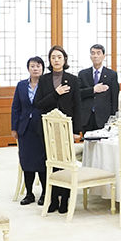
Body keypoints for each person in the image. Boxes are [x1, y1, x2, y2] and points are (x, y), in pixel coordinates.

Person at [34, 46, 81, 214]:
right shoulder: (44, 79)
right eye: (53, 57)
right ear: (50, 60)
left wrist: (77, 130)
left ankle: (65, 199)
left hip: (66, 129)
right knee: (51, 164)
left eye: (59, 57)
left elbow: (78, 106)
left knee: (66, 164)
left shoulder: (73, 80)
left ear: (65, 59)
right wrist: (56, 93)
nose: (56, 60)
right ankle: (52, 198)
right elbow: (38, 104)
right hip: (48, 130)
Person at [11, 56, 47, 206]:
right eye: (32, 66)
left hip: (41, 128)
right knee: (26, 160)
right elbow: (16, 107)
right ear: (28, 69)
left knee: (42, 161)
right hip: (24, 128)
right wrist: (14, 128)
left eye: (38, 66)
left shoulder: (47, 85)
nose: (36, 68)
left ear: (43, 69)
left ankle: (45, 193)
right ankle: (29, 193)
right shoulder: (21, 86)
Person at [77, 43, 119, 133]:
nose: (95, 56)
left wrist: (114, 116)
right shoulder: (83, 74)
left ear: (103, 56)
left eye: (98, 53)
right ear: (90, 56)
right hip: (86, 116)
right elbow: (78, 93)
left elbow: (114, 97)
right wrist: (93, 90)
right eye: (93, 53)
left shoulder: (111, 74)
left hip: (104, 116)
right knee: (87, 143)